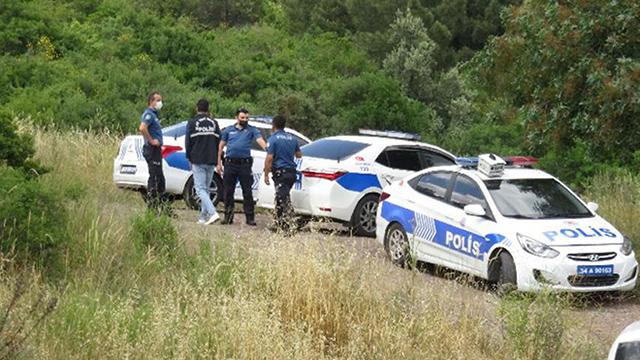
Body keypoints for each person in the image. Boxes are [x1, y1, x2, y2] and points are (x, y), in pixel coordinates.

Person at [217, 108, 267, 225]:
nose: (245, 120)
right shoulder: (229, 130)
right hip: (230, 164)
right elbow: (220, 147)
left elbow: (260, 141)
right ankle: (228, 217)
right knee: (228, 191)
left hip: (244, 164)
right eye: (242, 118)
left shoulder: (251, 130)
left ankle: (250, 218)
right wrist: (218, 163)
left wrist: (268, 150)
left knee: (247, 191)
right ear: (237, 118)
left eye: (247, 118)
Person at [263, 115, 302, 233]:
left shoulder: (273, 139)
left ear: (273, 125)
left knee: (282, 199)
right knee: (281, 197)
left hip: (281, 173)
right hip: (291, 173)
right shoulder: (292, 138)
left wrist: (266, 173)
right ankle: (280, 223)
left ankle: (292, 224)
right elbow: (299, 155)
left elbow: (269, 158)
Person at [185, 99, 221, 225]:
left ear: (197, 108)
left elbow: (188, 142)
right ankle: (203, 217)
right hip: (211, 159)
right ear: (208, 109)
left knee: (200, 189)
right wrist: (218, 159)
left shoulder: (192, 123)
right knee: (205, 189)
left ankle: (213, 213)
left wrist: (188, 157)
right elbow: (219, 142)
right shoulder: (214, 123)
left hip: (198, 159)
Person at [138, 91, 166, 212]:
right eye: (158, 100)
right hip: (152, 149)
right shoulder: (149, 114)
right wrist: (151, 140)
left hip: (156, 149)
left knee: (160, 178)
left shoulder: (155, 115)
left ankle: (162, 207)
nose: (160, 103)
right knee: (154, 177)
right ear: (151, 101)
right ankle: (152, 207)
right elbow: (142, 128)